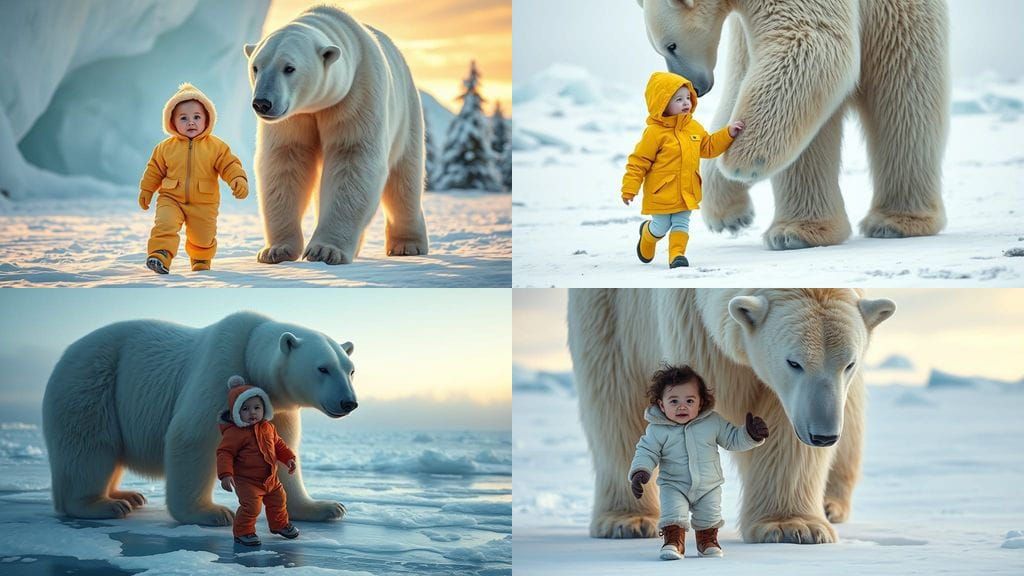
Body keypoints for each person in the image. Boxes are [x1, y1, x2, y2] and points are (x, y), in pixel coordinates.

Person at [629, 364, 768, 559]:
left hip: (708, 485)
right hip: (674, 485)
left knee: (709, 515)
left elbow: (733, 439)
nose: (682, 406)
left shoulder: (712, 422)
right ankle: (673, 541)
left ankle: (707, 540)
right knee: (673, 514)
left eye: (689, 400)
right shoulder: (657, 430)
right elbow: (646, 451)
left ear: (701, 403)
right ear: (662, 405)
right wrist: (640, 471)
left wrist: (750, 434)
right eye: (674, 401)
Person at [621, 72, 744, 268]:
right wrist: (630, 188)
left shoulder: (693, 128)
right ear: (662, 104)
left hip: (687, 191)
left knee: (681, 224)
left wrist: (727, 133)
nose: (686, 103)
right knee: (661, 226)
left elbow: (709, 147)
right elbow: (639, 161)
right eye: (678, 99)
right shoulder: (655, 133)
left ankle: (677, 255)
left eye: (688, 98)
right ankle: (648, 234)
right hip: (661, 193)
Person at [139, 83, 248, 274]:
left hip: (204, 201)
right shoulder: (165, 148)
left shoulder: (216, 147)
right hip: (171, 198)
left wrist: (238, 179)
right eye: (183, 118)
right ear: (172, 121)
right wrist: (147, 190)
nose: (191, 122)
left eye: (197, 117)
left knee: (203, 236)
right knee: (165, 224)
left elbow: (229, 165)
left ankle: (200, 259)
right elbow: (154, 170)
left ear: (207, 120)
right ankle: (160, 254)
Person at [216, 375, 299, 546]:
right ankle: (243, 532)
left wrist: (289, 458)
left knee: (279, 500)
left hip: (270, 478)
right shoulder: (234, 433)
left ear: (264, 409)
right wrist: (225, 474)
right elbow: (225, 453)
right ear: (236, 412)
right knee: (251, 507)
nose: (252, 412)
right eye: (245, 409)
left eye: (256, 407)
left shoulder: (268, 427)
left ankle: (280, 525)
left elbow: (279, 445)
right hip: (247, 481)